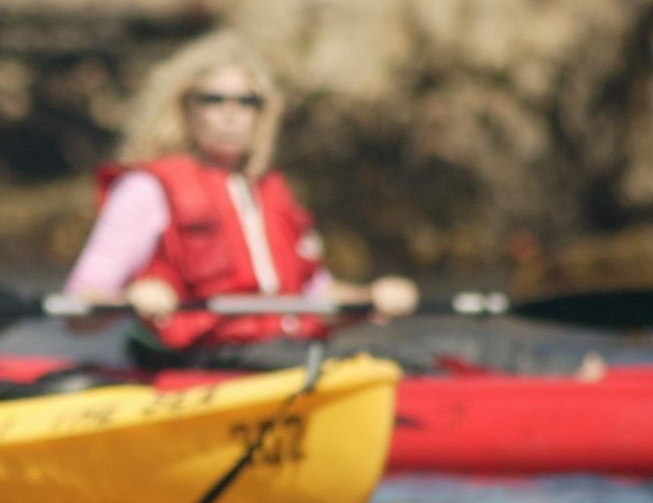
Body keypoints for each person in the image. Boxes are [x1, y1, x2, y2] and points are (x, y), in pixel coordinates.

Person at [62, 29, 418, 370]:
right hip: (195, 362)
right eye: (214, 100)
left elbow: (313, 297)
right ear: (186, 109)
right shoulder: (147, 190)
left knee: (410, 360)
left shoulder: (270, 190)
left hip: (279, 352)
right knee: (351, 365)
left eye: (247, 102)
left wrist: (370, 300)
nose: (231, 114)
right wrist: (131, 302)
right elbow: (77, 312)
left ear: (262, 114)